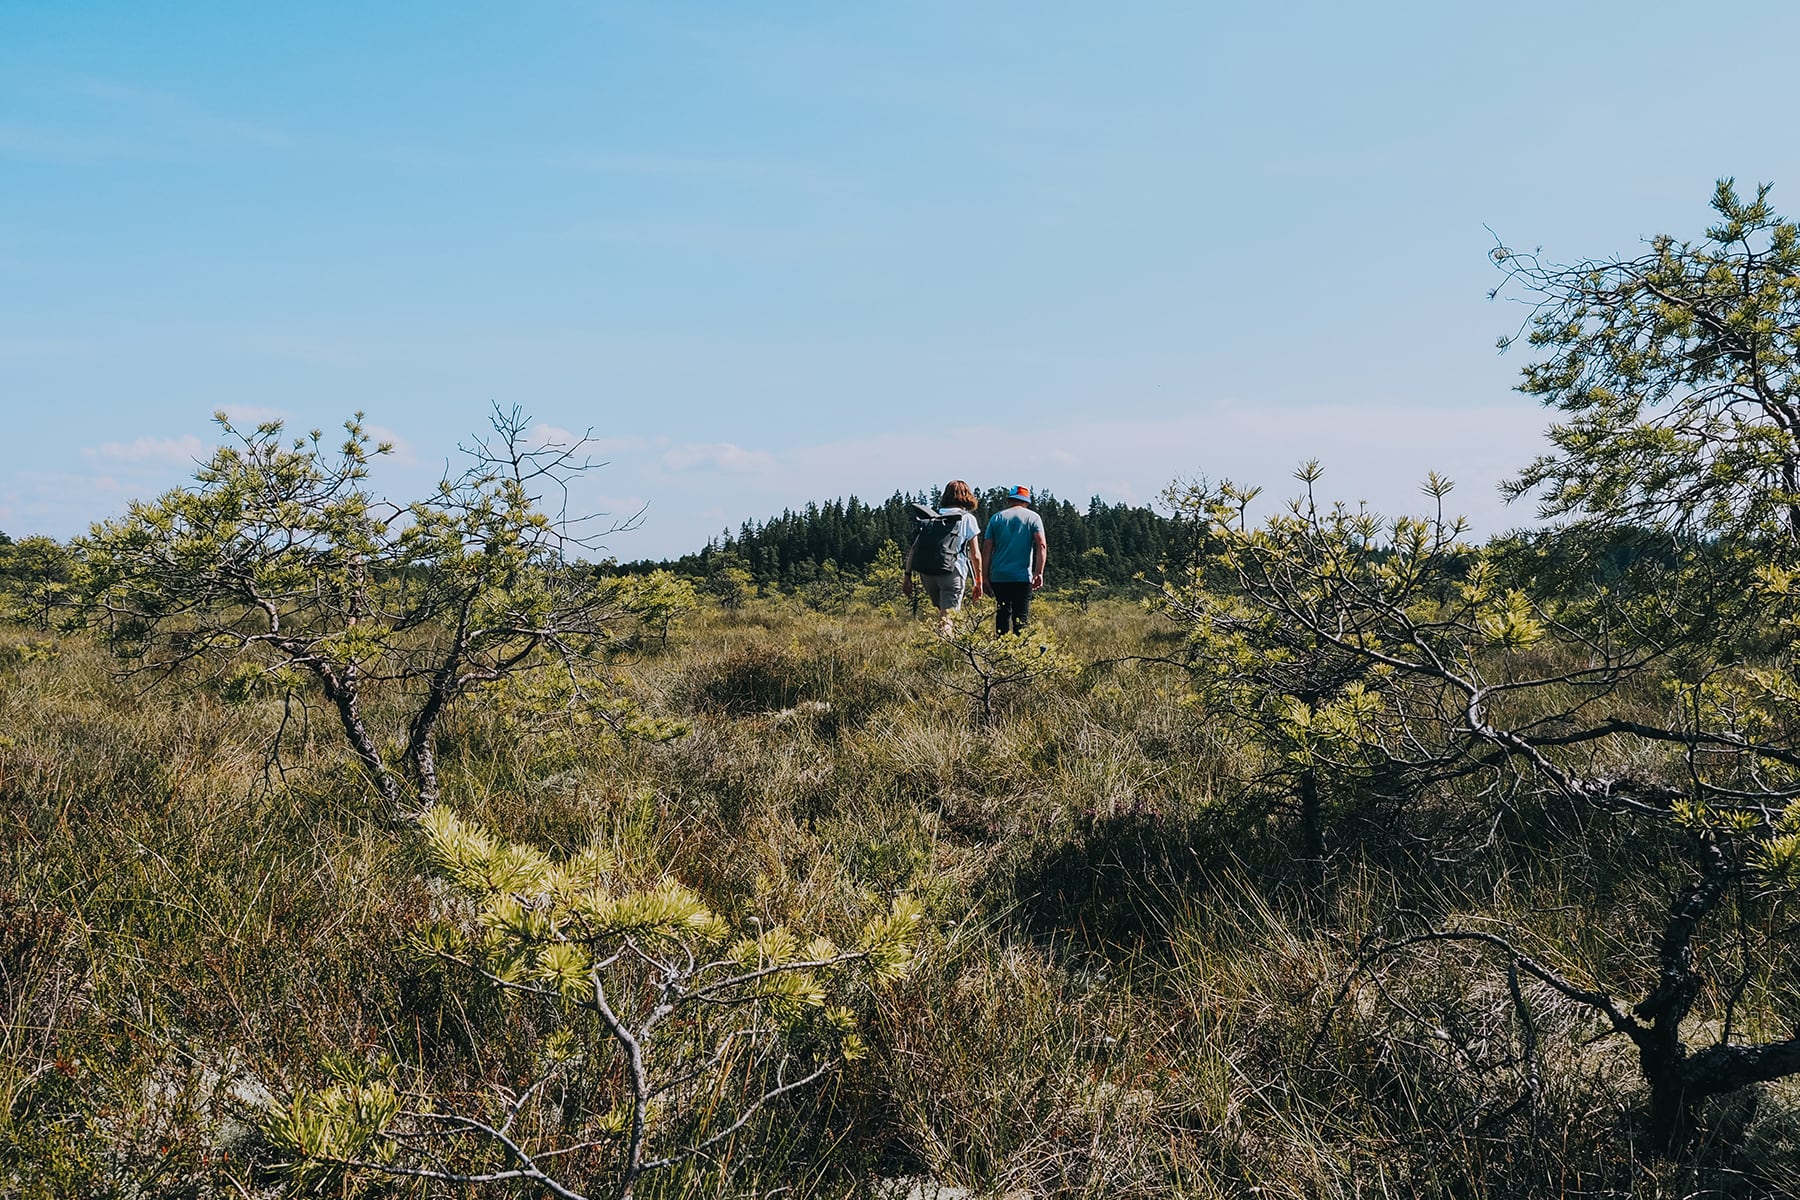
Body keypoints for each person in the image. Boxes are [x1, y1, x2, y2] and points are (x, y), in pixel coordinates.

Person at [902, 480, 983, 634]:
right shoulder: (967, 519)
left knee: (943, 615)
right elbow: (975, 555)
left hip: (928, 574)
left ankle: (945, 645)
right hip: (952, 572)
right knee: (948, 618)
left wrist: (907, 576)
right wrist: (979, 581)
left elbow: (914, 548)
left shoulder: (933, 517)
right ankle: (945, 654)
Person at [981, 485, 1047, 635]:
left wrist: (984, 577)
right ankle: (1020, 653)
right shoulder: (1033, 518)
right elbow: (1041, 545)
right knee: (1021, 618)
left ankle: (1000, 652)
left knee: (1002, 614)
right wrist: (1039, 572)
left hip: (999, 577)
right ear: (1026, 501)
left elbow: (987, 549)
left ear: (1010, 500)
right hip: (1022, 577)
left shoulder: (996, 518)